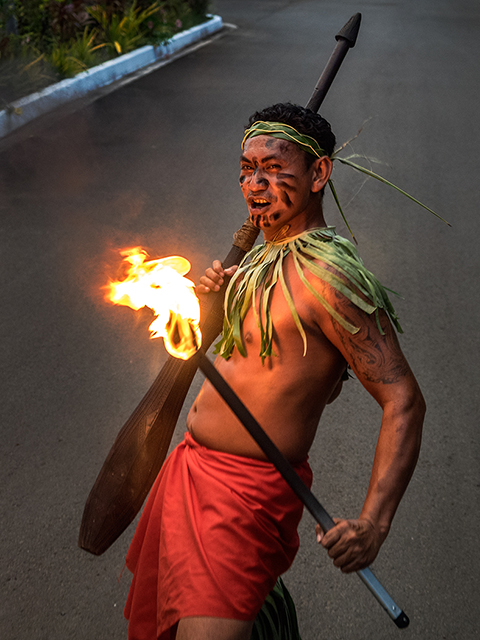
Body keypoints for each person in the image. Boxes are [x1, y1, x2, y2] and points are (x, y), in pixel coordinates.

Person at [124, 103, 425, 640]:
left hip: (244, 501)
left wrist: (373, 524)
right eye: (246, 168)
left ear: (319, 174)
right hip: (191, 475)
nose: (254, 183)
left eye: (272, 168)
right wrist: (200, 311)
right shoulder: (261, 264)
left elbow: (403, 398)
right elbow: (305, 378)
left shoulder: (331, 276)